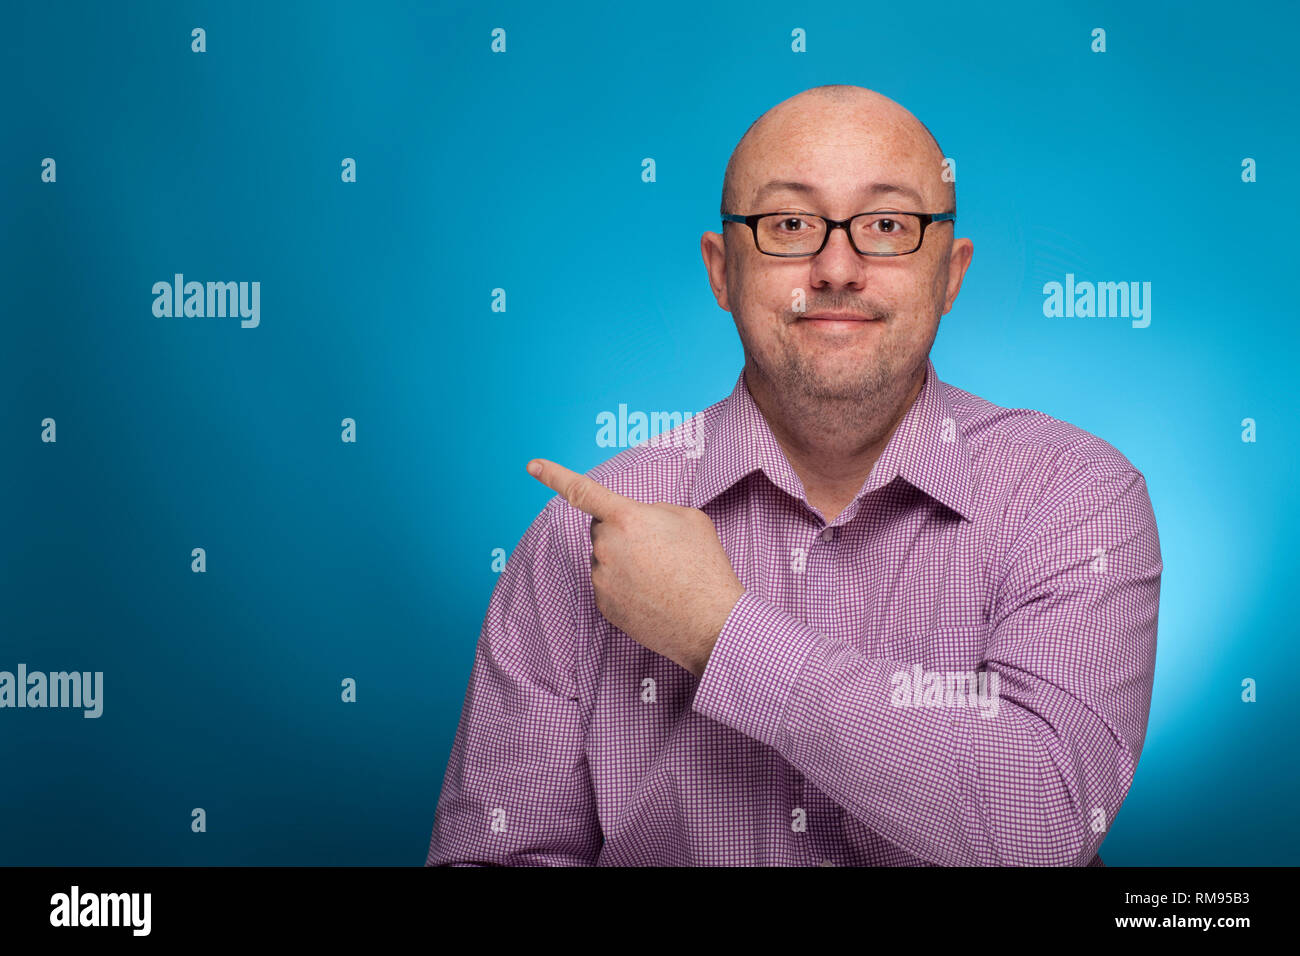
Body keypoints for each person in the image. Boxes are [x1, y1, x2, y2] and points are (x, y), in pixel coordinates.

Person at [425, 84, 1162, 866]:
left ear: (950, 272)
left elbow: (1043, 821)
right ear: (721, 270)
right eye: (789, 225)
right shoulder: (584, 535)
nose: (837, 268)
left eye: (887, 225)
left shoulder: (1075, 497)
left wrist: (721, 632)